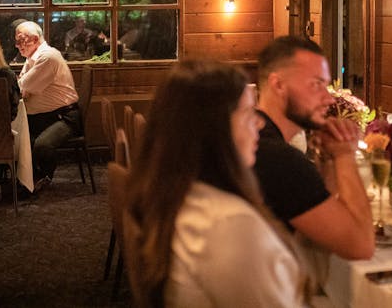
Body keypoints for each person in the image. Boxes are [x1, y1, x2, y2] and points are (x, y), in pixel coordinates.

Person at [125, 61, 308, 307]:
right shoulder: (230, 225)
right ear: (213, 128)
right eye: (248, 113)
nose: (260, 123)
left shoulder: (179, 196)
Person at [253, 36, 374, 261]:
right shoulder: (277, 159)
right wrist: (344, 153)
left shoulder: (258, 138)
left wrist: (328, 159)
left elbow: (313, 205)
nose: (329, 99)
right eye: (316, 84)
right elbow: (362, 246)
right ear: (278, 84)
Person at [15, 21, 80, 189]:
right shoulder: (31, 58)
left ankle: (42, 177)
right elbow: (22, 87)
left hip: (64, 117)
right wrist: (25, 88)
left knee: (41, 146)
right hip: (44, 117)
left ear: (35, 39)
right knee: (17, 138)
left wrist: (25, 88)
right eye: (17, 41)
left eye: (21, 40)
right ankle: (25, 180)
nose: (17, 45)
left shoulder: (48, 57)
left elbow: (21, 88)